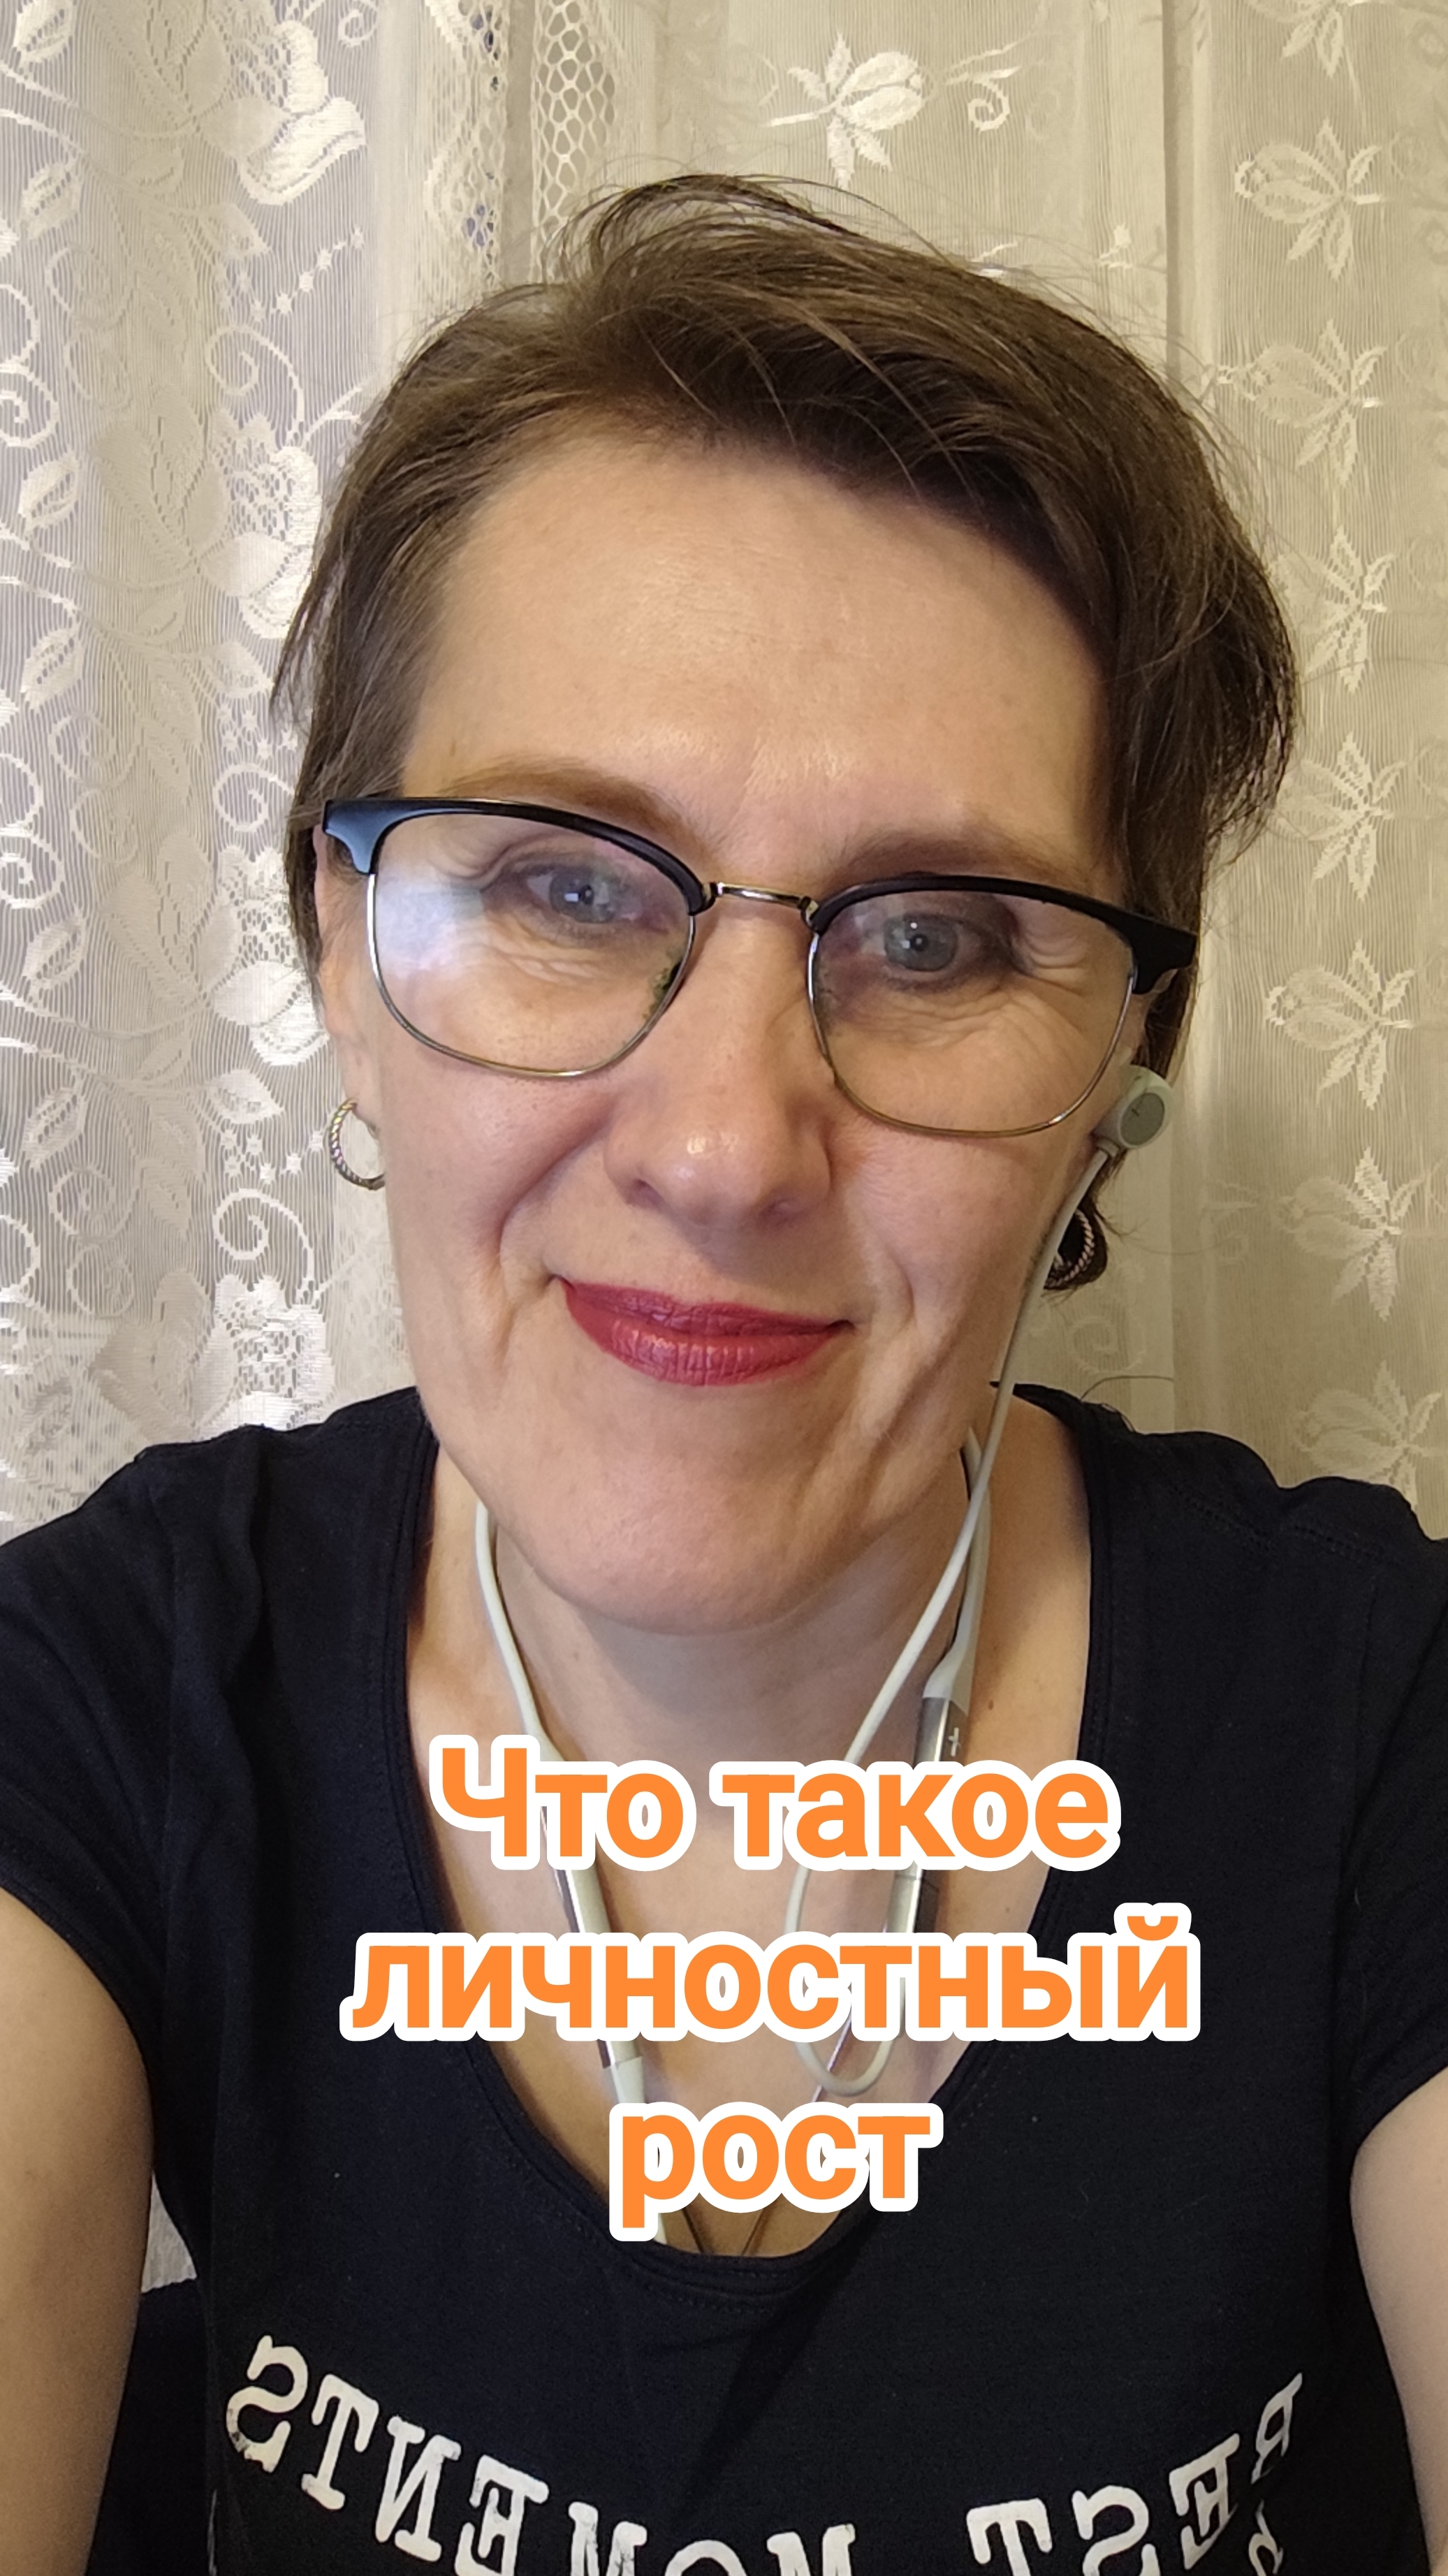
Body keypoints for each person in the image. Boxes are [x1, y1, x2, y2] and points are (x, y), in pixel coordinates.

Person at [1, 173, 1446, 2576]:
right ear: (344, 953)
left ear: (1120, 1066)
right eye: (564, 884)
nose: (719, 1148)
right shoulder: (117, 1693)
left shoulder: (1368, 1717)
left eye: (936, 936)